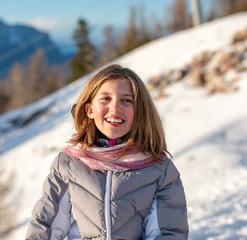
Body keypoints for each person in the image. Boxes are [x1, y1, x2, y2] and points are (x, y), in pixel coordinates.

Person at [25, 64, 188, 240]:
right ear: (90, 110)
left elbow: (167, 233)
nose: (115, 108)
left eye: (126, 100)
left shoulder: (159, 170)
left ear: (139, 112)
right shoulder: (68, 165)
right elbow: (47, 226)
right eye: (106, 99)